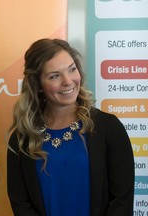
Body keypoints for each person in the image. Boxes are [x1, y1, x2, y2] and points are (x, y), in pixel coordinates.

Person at [7, 38, 134, 216]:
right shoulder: (21, 139)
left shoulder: (109, 128)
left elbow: (122, 200)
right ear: (38, 85)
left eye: (72, 69)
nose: (68, 81)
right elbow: (21, 204)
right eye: (54, 76)